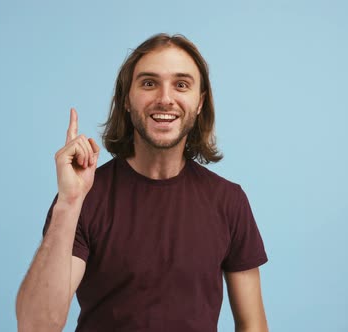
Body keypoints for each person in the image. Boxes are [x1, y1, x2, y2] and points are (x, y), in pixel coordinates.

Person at [16, 33, 268, 332]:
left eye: (181, 84)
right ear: (126, 99)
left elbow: (253, 325)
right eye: (149, 83)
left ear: (199, 103)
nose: (165, 98)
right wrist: (68, 203)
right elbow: (36, 326)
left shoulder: (229, 201)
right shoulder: (84, 198)